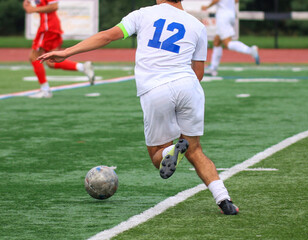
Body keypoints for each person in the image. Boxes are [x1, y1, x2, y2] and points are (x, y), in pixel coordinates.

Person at [39, 0, 239, 214]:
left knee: (157, 156)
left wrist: (67, 52)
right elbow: (198, 71)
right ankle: (224, 200)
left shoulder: (143, 14)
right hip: (189, 87)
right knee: (195, 149)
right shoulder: (197, 25)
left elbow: (107, 36)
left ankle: (172, 150)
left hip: (156, 88)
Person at [23, 0, 95, 98]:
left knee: (34, 56)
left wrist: (33, 9)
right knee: (51, 61)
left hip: (48, 27)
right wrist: (28, 5)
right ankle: (83, 67)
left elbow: (54, 6)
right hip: (50, 26)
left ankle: (45, 90)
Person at [201, 0, 259, 76]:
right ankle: (213, 68)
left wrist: (207, 7)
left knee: (227, 43)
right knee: (217, 42)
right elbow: (236, 1)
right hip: (230, 15)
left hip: (223, 16)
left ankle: (250, 50)